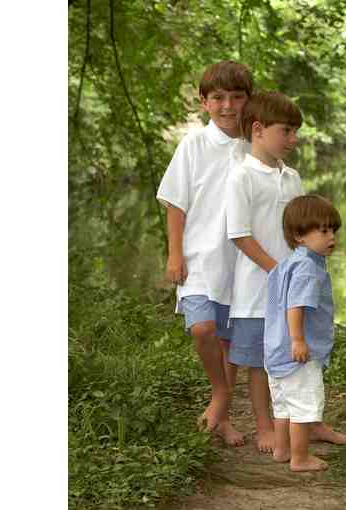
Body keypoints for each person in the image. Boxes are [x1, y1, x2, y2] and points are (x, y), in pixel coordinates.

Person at [156, 60, 252, 446]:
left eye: (237, 97)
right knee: (202, 328)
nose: (228, 106)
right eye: (218, 98)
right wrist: (174, 254)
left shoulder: (255, 144)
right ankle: (221, 392)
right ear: (204, 101)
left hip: (240, 261)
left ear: (249, 100)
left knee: (228, 340)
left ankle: (223, 419)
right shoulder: (194, 144)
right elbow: (175, 204)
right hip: (199, 257)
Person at [225, 91, 305, 452]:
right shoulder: (241, 176)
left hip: (293, 289)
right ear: (258, 130)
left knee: (296, 356)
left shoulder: (293, 177)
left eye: (295, 132)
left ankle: (304, 421)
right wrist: (277, 271)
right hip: (256, 293)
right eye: (286, 131)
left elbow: (302, 229)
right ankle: (265, 426)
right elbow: (240, 235)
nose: (293, 139)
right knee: (259, 364)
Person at [264, 195, 346, 472]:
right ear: (299, 236)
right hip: (299, 352)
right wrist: (298, 340)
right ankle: (300, 458)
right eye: (323, 231)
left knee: (283, 405)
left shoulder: (290, 262)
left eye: (333, 230)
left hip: (276, 349)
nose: (331, 237)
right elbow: (295, 305)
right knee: (302, 405)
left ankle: (282, 450)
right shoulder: (307, 268)